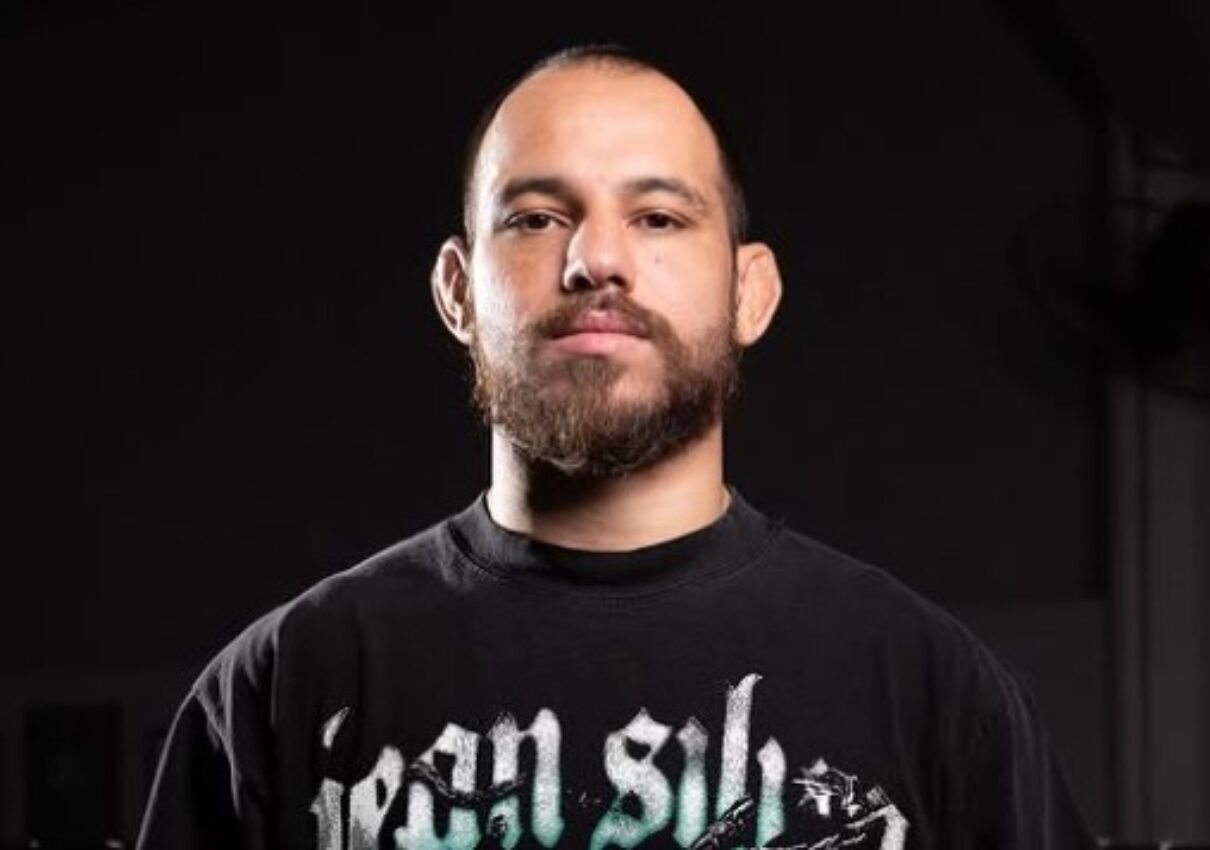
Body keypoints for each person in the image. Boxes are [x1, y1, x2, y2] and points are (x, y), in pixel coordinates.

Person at [136, 44, 1099, 850]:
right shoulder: (282, 690)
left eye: (658, 217)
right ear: (457, 292)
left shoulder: (933, 693)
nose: (596, 260)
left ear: (750, 292)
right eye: (537, 217)